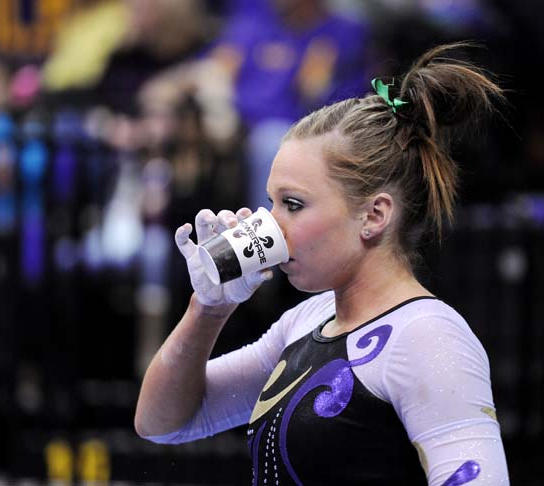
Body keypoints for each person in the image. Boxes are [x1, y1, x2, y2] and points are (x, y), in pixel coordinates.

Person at [134, 42, 510, 485]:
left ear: (374, 216)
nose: (269, 224)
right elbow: (163, 422)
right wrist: (209, 308)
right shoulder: (308, 320)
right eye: (270, 203)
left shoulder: (427, 337)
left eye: (293, 204)